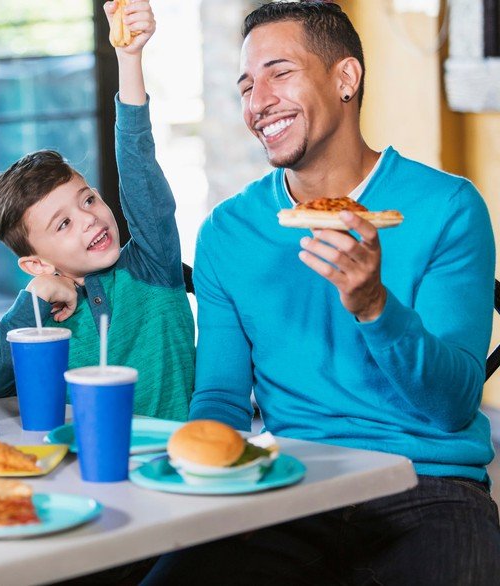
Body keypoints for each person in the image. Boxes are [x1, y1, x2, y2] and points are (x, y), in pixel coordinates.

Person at [144, 2, 500, 584]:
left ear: (345, 78)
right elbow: (222, 403)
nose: (257, 103)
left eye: (279, 73)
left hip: (428, 488)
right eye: (245, 85)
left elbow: (454, 404)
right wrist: (196, 470)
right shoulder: (228, 232)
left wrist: (376, 309)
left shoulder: (448, 207)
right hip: (289, 485)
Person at [0, 0, 194, 422]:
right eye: (63, 224)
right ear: (37, 262)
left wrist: (129, 58)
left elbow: (138, 165)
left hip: (172, 466)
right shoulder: (47, 312)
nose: (91, 218)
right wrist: (34, 301)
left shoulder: (152, 260)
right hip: (88, 468)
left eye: (88, 200)